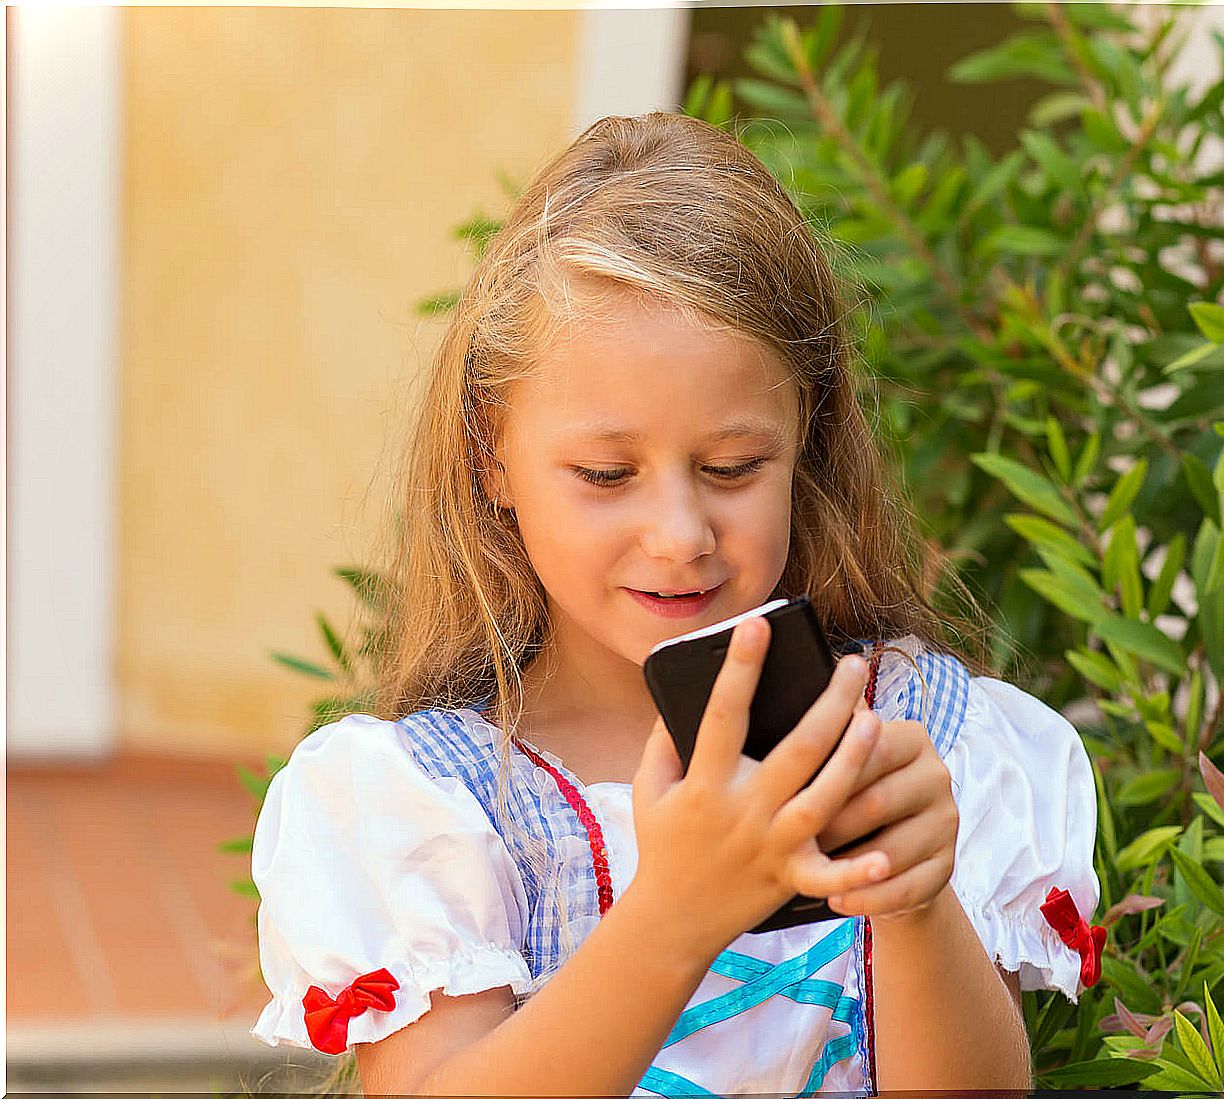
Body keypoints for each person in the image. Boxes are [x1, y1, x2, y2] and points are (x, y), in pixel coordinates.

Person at [249, 111, 1101, 1097]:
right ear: (493, 454)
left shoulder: (919, 732)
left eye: (732, 466)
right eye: (608, 473)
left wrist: (913, 902)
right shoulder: (432, 799)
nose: (680, 532)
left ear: (805, 441)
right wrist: (676, 915)